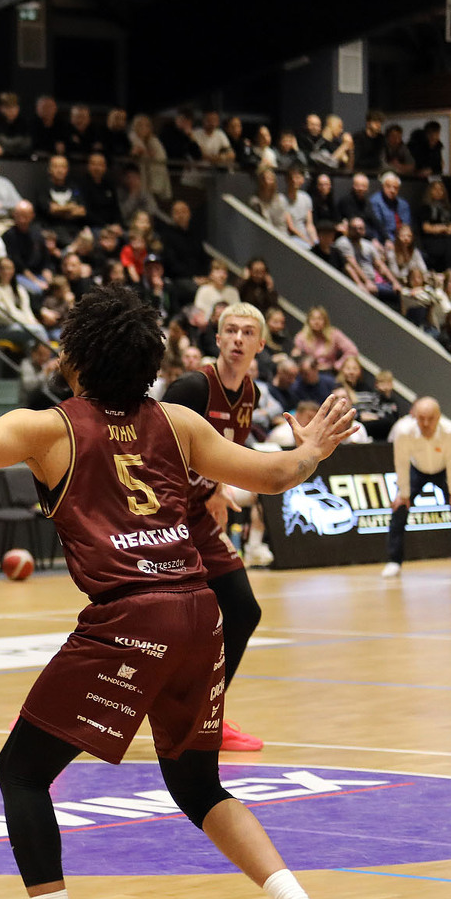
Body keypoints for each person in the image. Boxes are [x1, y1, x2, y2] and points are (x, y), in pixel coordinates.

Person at [0, 283, 354, 899]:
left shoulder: (48, 428)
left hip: (131, 613)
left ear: (76, 357)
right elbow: (276, 473)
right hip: (198, 609)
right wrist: (311, 449)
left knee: (21, 772)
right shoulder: (179, 422)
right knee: (198, 786)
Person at [161, 303, 270, 751]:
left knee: (243, 610)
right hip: (163, 514)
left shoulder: (250, 394)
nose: (239, 338)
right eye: (231, 330)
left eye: (248, 332)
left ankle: (206, 714)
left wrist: (216, 489)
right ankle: (55, 711)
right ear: (219, 339)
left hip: (199, 513)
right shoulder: (192, 387)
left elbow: (219, 452)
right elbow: (151, 449)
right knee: (151, 623)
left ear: (260, 344)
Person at [382, 398, 451, 579]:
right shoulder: (403, 432)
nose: (425, 423)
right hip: (416, 470)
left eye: (430, 419)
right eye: (421, 418)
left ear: (439, 417)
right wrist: (403, 493)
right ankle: (394, 561)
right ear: (414, 416)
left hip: (444, 469)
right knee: (399, 506)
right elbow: (401, 463)